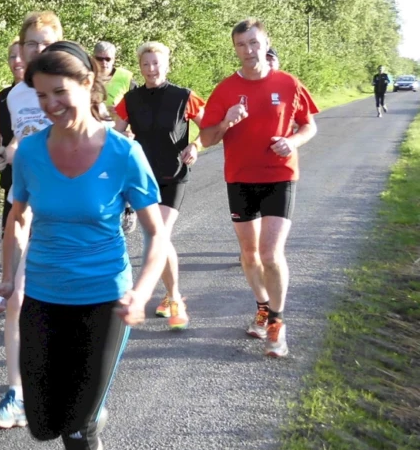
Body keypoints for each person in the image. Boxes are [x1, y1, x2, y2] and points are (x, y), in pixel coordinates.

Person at [0, 41, 169, 450]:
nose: (50, 106)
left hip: (104, 297)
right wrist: (9, 278)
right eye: (41, 96)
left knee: (75, 428)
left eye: (59, 93)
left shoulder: (123, 153)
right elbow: (18, 218)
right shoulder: (29, 152)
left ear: (88, 84)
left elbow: (157, 235)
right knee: (42, 422)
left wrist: (143, 292)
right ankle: (89, 411)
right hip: (44, 295)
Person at [199, 19, 319, 358]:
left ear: (265, 43)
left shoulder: (288, 82)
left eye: (254, 43)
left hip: (279, 176)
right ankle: (263, 308)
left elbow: (309, 125)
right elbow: (207, 138)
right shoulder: (224, 90)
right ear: (235, 49)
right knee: (249, 255)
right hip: (239, 178)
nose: (249, 51)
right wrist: (226, 121)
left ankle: (277, 324)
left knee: (270, 253)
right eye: (242, 45)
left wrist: (292, 140)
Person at [0, 11, 63, 431]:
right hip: (24, 203)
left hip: (68, 212)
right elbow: (17, 139)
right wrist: (5, 156)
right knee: (17, 300)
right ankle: (16, 393)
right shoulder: (14, 96)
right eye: (32, 44)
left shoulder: (71, 87)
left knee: (62, 307)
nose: (38, 50)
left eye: (46, 43)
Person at [113, 42, 205, 330]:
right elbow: (116, 134)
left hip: (173, 174)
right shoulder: (131, 99)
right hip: (142, 178)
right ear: (140, 67)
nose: (151, 69)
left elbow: (210, 126)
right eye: (146, 64)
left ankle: (175, 297)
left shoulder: (184, 97)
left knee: (160, 236)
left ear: (166, 65)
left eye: (156, 63)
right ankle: (169, 295)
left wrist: (196, 144)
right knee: (155, 238)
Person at [92, 41, 138, 235]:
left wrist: (133, 131)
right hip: (93, 133)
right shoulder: (86, 76)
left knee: (120, 172)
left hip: (120, 133)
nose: (104, 63)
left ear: (114, 59)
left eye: (108, 59)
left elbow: (138, 107)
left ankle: (129, 208)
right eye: (99, 59)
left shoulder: (126, 78)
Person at [0, 39, 26, 233]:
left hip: (37, 169)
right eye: (12, 56)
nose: (17, 60)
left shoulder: (44, 92)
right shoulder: (2, 96)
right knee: (10, 231)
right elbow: (0, 130)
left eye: (21, 55)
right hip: (11, 169)